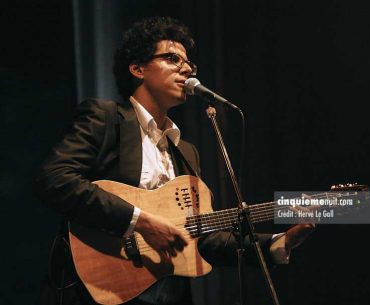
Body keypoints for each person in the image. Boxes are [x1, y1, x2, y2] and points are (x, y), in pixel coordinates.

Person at [35, 16, 314, 305]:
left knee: (347, 207)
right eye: (172, 58)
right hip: (98, 289)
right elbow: (54, 179)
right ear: (138, 68)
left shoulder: (186, 151)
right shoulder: (105, 118)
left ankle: (350, 204)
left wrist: (276, 244)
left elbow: (202, 238)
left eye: (189, 64)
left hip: (169, 294)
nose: (186, 69)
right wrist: (140, 222)